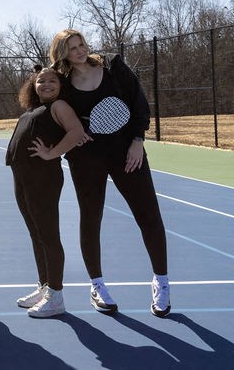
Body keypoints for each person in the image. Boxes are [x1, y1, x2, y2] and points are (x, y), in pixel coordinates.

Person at [49, 28, 171, 318]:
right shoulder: (62, 83)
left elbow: (139, 103)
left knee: (149, 216)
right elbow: (53, 112)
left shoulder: (113, 66)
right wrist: (73, 135)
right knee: (91, 219)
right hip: (86, 158)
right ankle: (97, 285)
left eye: (81, 44)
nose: (79, 51)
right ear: (62, 53)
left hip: (127, 153)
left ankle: (162, 283)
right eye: (71, 47)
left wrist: (138, 141)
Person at [5, 66, 89, 318]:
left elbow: (76, 132)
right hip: (23, 177)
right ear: (33, 86)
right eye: (41, 81)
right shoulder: (34, 110)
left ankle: (56, 295)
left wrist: (52, 153)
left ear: (61, 85)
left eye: (52, 80)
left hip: (43, 177)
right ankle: (44, 288)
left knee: (48, 235)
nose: (46, 84)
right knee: (36, 234)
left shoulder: (59, 106)